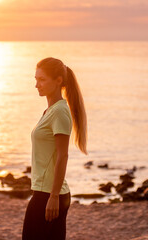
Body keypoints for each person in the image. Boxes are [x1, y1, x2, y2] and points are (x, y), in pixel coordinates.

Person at [22, 57, 88, 240]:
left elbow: (63, 155)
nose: (37, 85)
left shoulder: (59, 112)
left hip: (48, 195)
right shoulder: (51, 111)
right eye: (36, 79)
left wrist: (53, 197)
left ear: (58, 80)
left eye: (42, 79)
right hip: (49, 193)